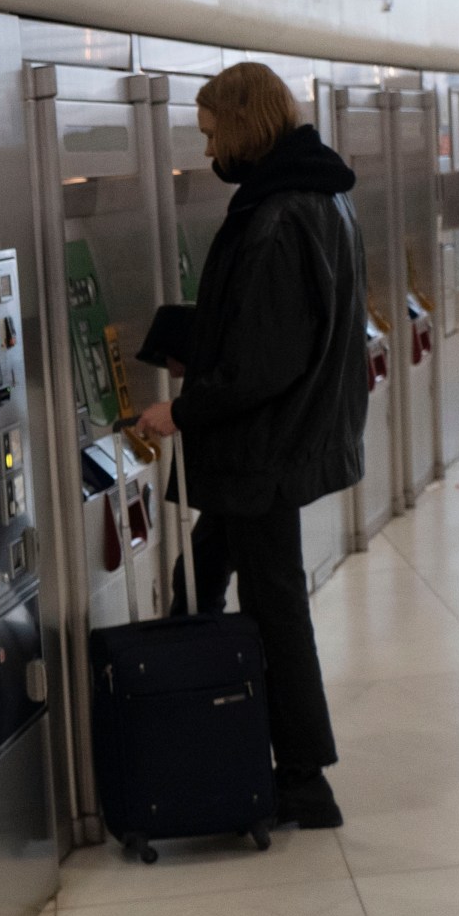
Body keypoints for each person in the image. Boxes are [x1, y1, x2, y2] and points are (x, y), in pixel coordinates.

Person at [136, 62, 369, 830]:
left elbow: (263, 360)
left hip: (262, 449)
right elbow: (276, 324)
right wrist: (196, 342)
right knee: (201, 580)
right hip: (276, 443)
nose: (208, 152)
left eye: (212, 135)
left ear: (243, 124)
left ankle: (301, 779)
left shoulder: (277, 213)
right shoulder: (321, 195)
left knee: (272, 606)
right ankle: (207, 737)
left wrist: (182, 411)